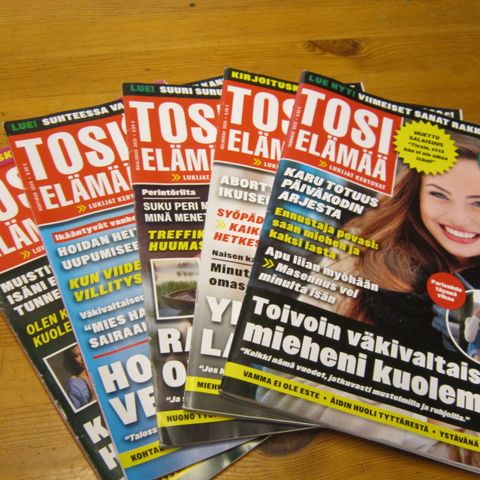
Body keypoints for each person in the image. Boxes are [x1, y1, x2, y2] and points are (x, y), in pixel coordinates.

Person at [329, 131, 480, 351]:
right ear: (416, 193)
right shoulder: (362, 246)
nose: (458, 219)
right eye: (439, 195)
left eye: (478, 203)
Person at [63, 344, 96, 409]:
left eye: (83, 352)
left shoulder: (96, 369)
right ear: (71, 359)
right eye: (77, 356)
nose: (82, 358)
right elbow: (79, 413)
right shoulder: (74, 385)